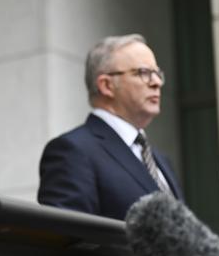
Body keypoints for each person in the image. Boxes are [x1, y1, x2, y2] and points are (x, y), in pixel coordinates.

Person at [37, 34, 183, 221]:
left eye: (157, 73)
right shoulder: (73, 152)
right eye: (143, 73)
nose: (157, 82)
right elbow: (68, 239)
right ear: (106, 85)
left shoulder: (160, 160)